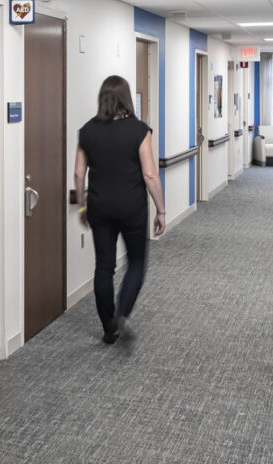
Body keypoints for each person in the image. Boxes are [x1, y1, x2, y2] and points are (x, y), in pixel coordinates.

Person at [73, 75, 166, 344]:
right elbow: (150, 175)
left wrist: (82, 208)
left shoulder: (87, 131)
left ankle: (108, 328)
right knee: (136, 261)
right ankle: (122, 313)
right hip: (132, 208)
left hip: (100, 208)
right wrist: (161, 210)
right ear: (126, 98)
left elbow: (79, 175)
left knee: (104, 266)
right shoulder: (139, 130)